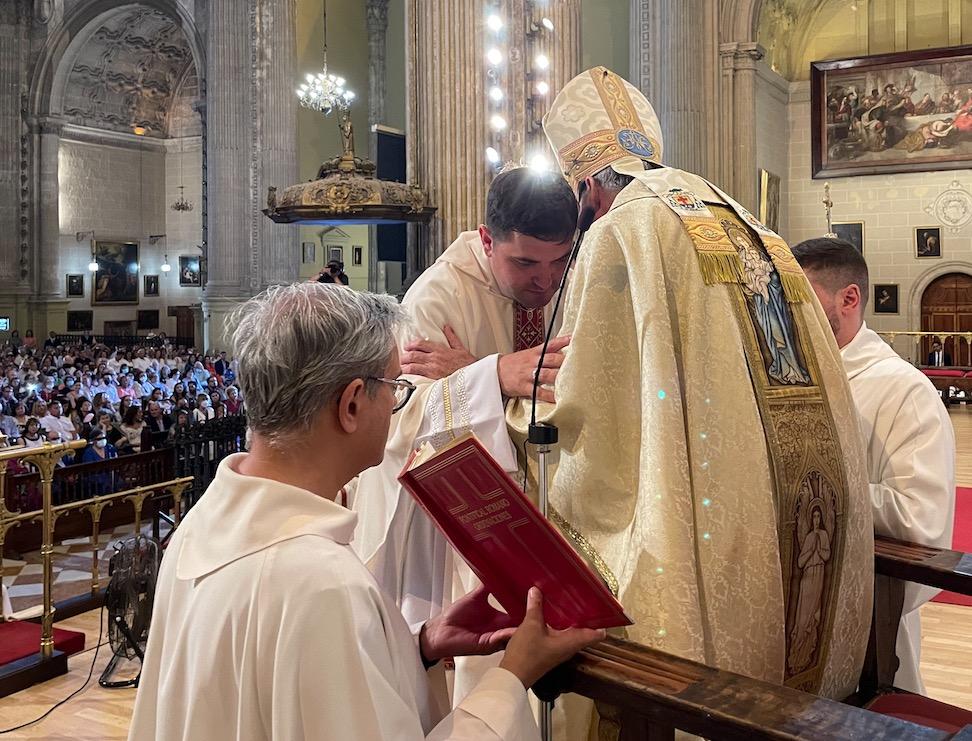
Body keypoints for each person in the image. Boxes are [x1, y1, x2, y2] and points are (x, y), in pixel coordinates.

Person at [525, 66, 873, 713]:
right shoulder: (747, 223)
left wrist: (507, 414)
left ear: (586, 189)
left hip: (701, 549)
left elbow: (587, 430)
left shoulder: (621, 231)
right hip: (774, 529)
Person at [128, 282, 602, 741]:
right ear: (352, 403)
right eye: (395, 387)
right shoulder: (319, 581)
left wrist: (416, 646)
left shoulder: (201, 526)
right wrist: (511, 677)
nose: (397, 402)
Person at [352, 167, 578, 661]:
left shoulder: (569, 282)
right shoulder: (436, 298)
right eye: (525, 263)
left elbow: (579, 385)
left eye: (559, 260)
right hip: (464, 527)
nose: (545, 281)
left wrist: (475, 369)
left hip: (550, 505)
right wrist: (493, 376)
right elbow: (398, 423)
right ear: (486, 240)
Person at [792, 236, 956, 693]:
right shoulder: (788, 377)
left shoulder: (903, 390)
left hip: (867, 630)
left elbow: (918, 522)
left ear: (849, 298)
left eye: (802, 298)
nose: (788, 313)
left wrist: (801, 487)